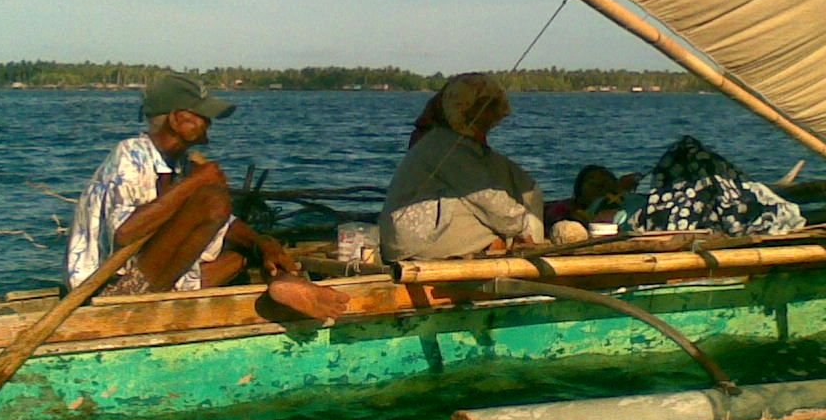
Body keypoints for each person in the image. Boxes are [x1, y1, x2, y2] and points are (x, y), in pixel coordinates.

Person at [66, 73, 347, 320]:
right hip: (112, 293)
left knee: (245, 250)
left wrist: (262, 244)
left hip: (161, 281)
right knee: (213, 200)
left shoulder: (179, 164)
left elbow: (225, 224)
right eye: (202, 115)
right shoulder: (131, 155)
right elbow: (125, 234)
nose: (209, 122)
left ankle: (285, 282)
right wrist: (196, 183)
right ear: (177, 119)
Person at [380, 73, 544, 260]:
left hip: (405, 238)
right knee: (495, 217)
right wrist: (523, 227)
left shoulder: (444, 140)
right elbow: (486, 197)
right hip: (416, 241)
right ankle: (498, 246)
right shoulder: (443, 145)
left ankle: (494, 243)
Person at [543, 164, 641, 236]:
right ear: (579, 188)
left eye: (604, 183)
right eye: (593, 182)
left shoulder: (617, 208)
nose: (599, 184)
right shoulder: (562, 210)